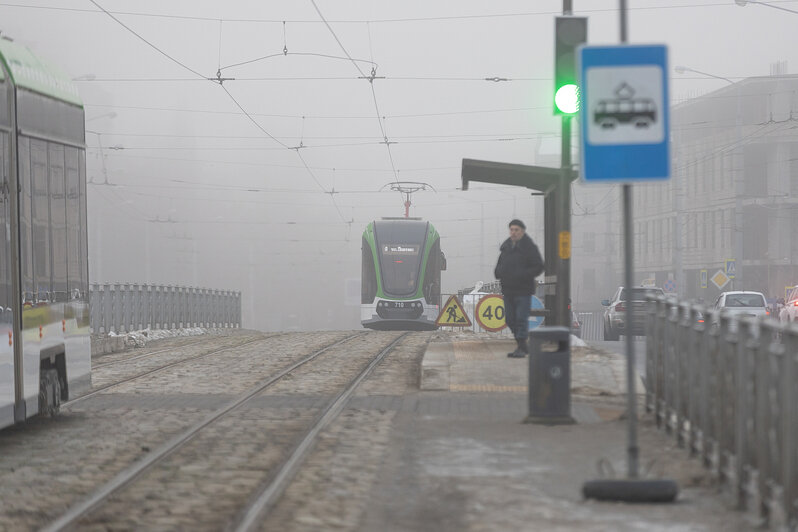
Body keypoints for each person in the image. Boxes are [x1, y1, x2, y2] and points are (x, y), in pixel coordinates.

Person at [494, 219, 545, 358]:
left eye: (516, 230)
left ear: (522, 231)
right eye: (511, 229)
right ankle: (522, 345)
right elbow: (499, 266)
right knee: (509, 319)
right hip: (508, 290)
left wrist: (524, 274)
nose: (514, 232)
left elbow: (539, 265)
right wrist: (499, 272)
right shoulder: (506, 248)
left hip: (523, 290)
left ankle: (521, 347)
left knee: (521, 319)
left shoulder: (529, 248)